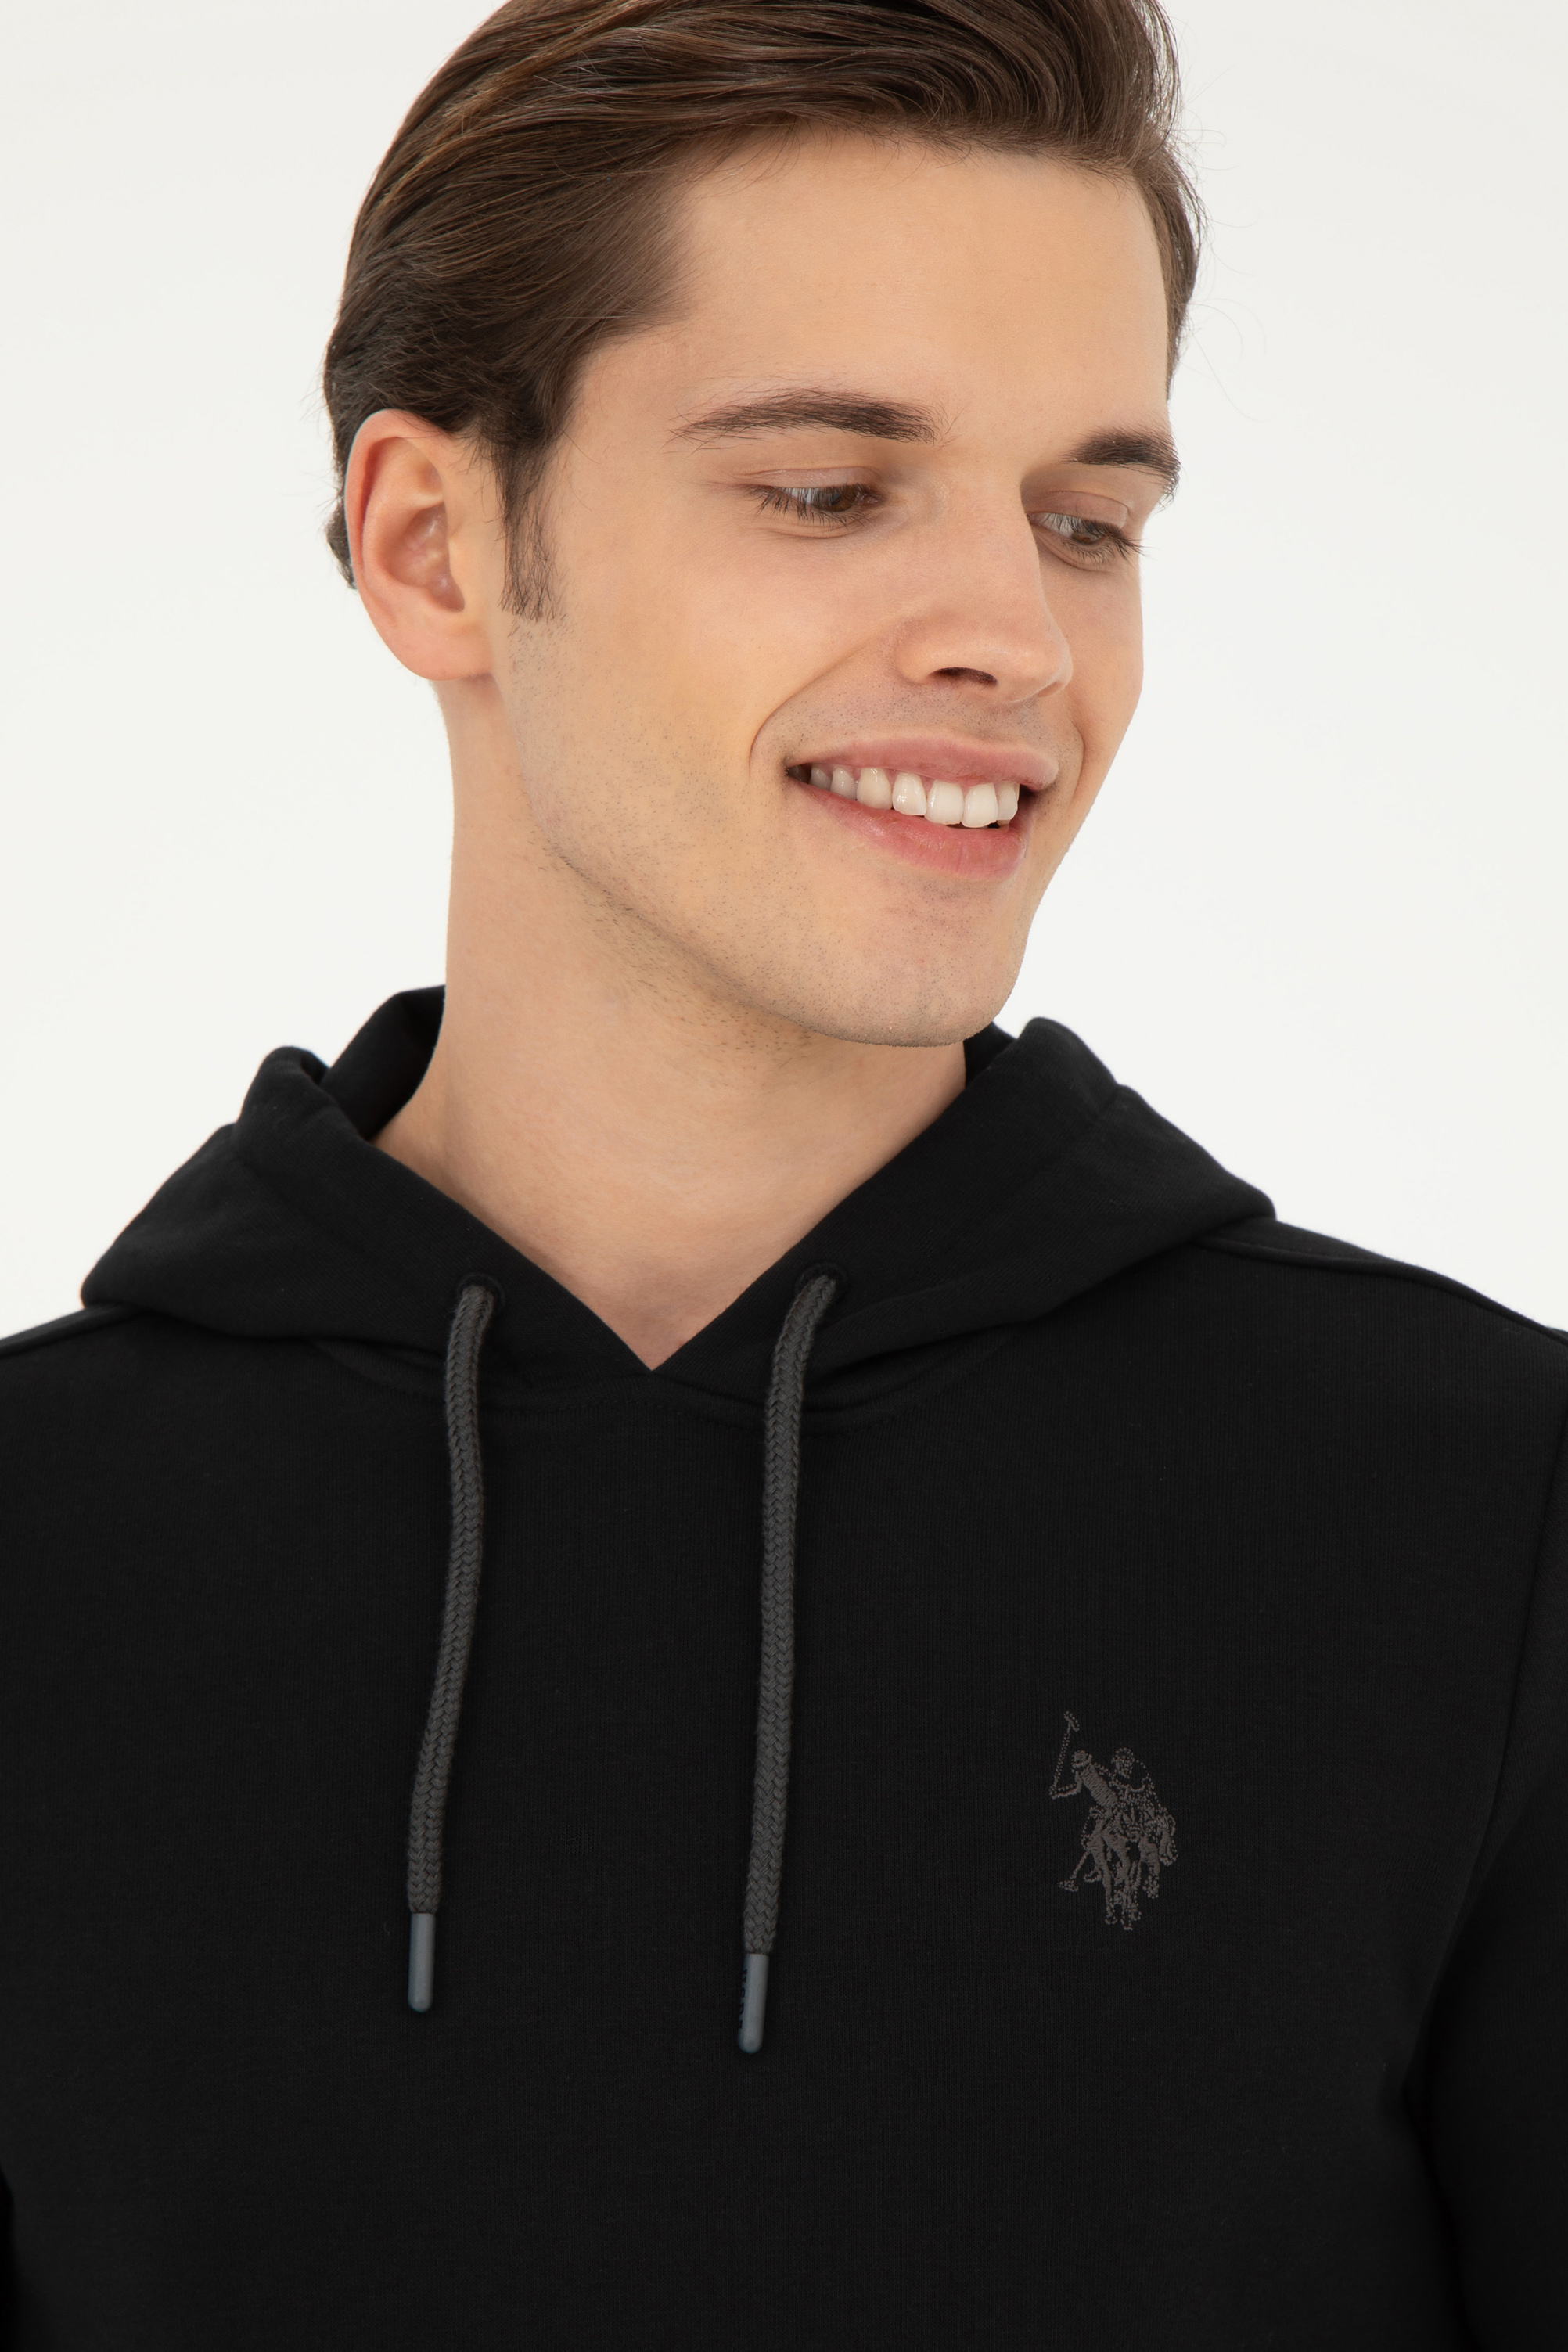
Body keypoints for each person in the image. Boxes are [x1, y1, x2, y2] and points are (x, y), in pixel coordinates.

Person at [1, 1, 1563, 2343]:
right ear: (433, 545)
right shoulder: (39, 1555)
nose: (1015, 642)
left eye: (1087, 523)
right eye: (828, 491)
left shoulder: (1483, 1517)